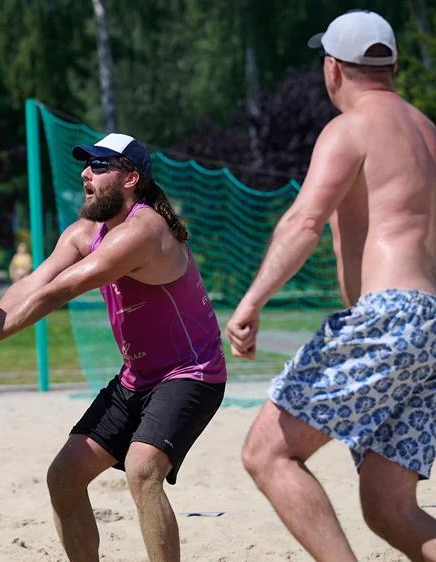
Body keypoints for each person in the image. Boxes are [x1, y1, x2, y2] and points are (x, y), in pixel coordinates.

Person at [0, 133, 227, 561]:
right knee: (63, 477)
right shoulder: (83, 234)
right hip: (136, 378)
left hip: (191, 373)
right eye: (86, 165)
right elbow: (30, 286)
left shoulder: (146, 228)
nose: (84, 173)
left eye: (99, 166)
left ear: (131, 177)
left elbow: (61, 291)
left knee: (142, 468)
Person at [226, 10, 436, 562]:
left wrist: (251, 301)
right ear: (389, 65)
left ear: (333, 69)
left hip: (388, 315)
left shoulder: (351, 127)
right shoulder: (427, 134)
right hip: (429, 325)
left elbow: (302, 224)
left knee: (266, 454)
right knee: (390, 508)